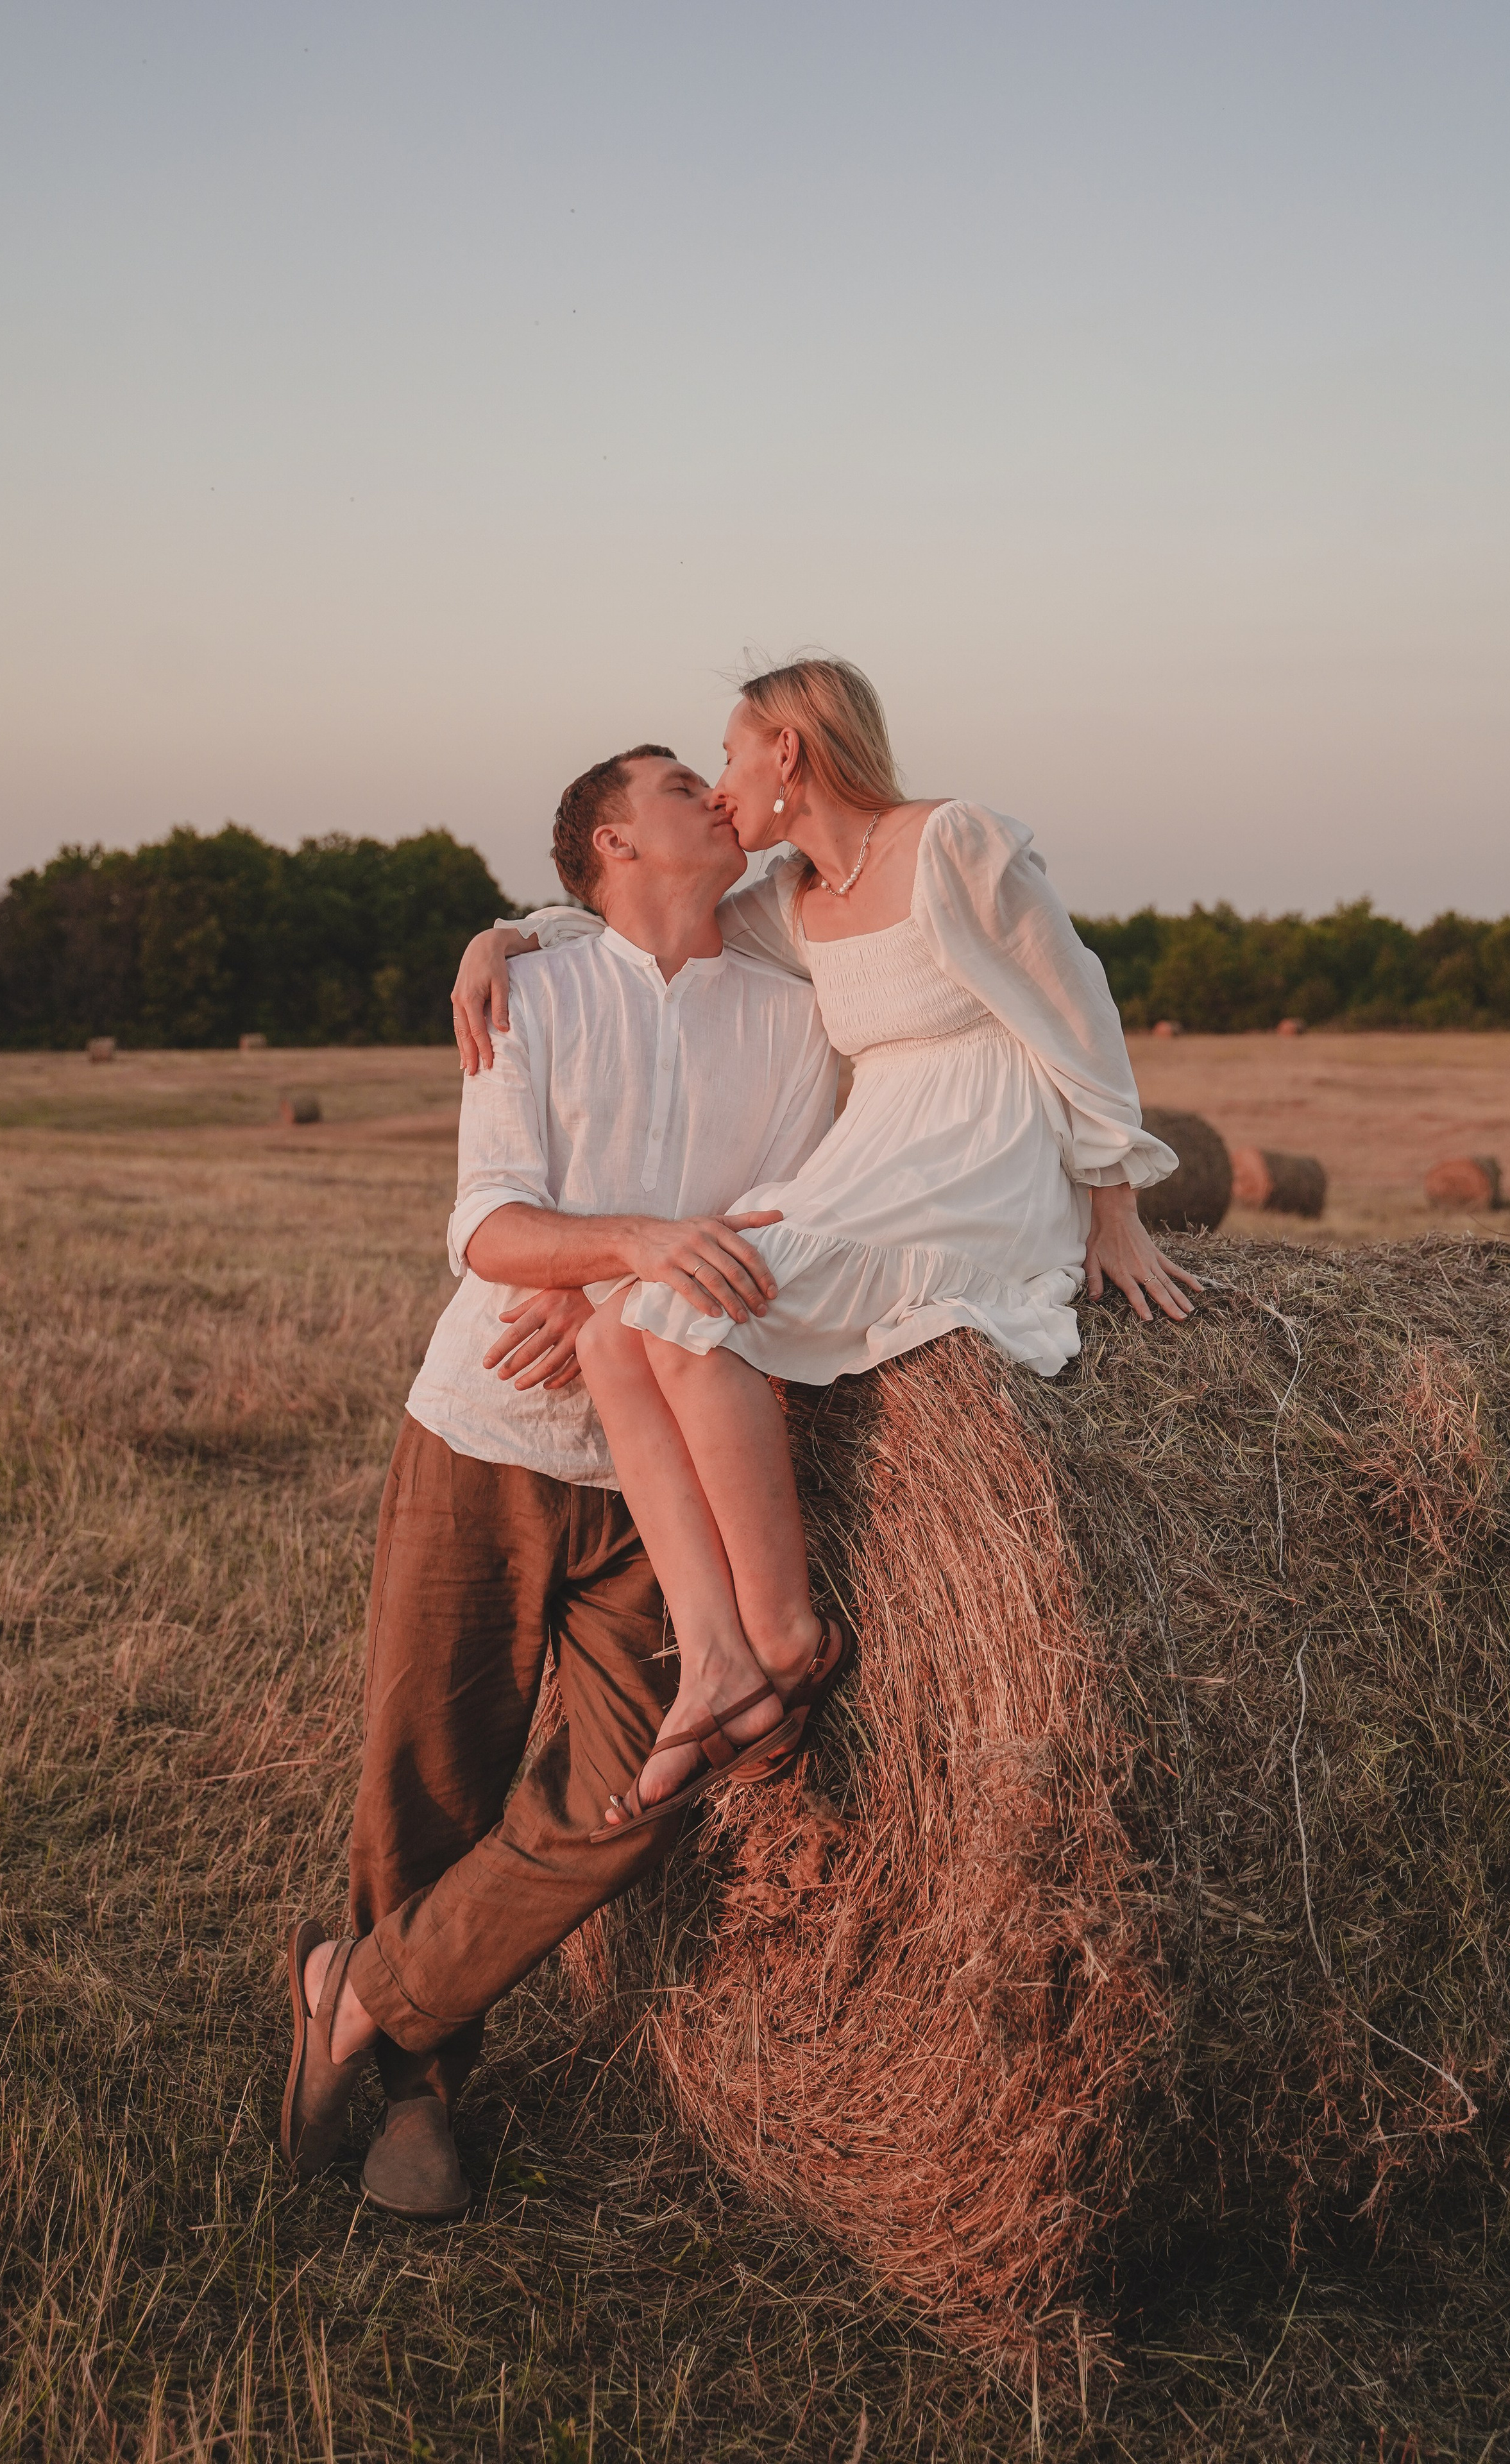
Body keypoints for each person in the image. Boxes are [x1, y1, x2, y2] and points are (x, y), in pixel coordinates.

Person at [452, 655, 1199, 1838]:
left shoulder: (955, 844)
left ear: (786, 755)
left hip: (979, 1147)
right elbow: (640, 914)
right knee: (613, 1329)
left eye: (729, 759)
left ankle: (787, 1631)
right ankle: (715, 1656)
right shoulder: (788, 900)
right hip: (875, 1151)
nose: (718, 791)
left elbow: (1080, 1005)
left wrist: (1115, 1201)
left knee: (704, 1310)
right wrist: (510, 932)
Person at [280, 742, 838, 2220]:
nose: (713, 795)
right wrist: (626, 1243)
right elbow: (488, 1225)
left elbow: (784, 1213)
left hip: (670, 1464)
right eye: (675, 782)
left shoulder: (792, 1021)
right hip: (486, 1430)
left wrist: (610, 1265)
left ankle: (356, 1987)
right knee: (431, 1775)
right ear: (609, 837)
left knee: (639, 1784)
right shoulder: (530, 988)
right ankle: (421, 2099)